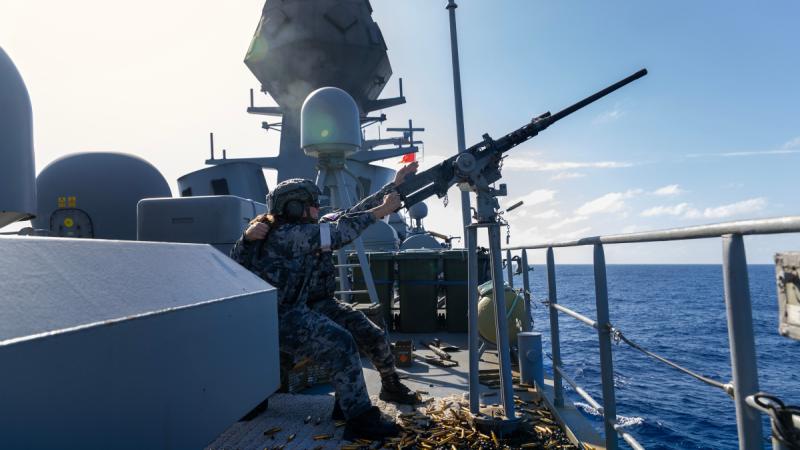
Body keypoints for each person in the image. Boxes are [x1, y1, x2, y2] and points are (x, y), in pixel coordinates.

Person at [230, 162, 420, 440]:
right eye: (312, 204)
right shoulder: (286, 234)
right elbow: (338, 233)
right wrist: (382, 211)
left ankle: (389, 384)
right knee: (340, 343)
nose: (318, 209)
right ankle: (359, 419)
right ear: (293, 208)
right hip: (279, 315)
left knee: (370, 332)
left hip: (309, 304)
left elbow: (351, 214)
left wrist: (395, 187)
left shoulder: (306, 228)